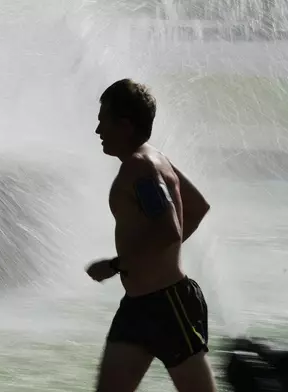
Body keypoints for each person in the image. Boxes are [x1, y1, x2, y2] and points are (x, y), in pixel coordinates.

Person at [85, 79, 217, 392]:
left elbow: (169, 228)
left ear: (125, 125)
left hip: (169, 305)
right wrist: (152, 258)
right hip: (137, 306)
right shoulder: (155, 159)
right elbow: (196, 208)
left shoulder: (141, 167)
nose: (98, 130)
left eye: (103, 120)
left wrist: (116, 265)